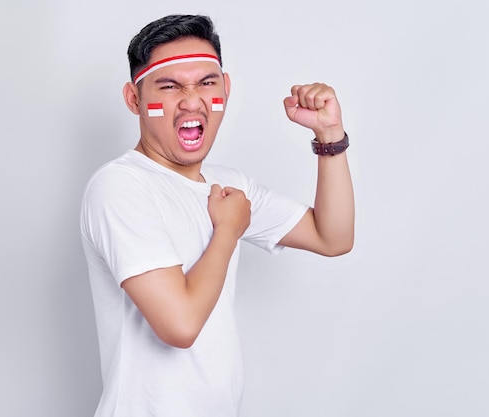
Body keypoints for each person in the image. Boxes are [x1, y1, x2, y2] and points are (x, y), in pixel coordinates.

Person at [80, 14, 354, 417]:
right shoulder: (120, 187)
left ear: (225, 88)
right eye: (169, 86)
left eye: (207, 83)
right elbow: (180, 325)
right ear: (134, 99)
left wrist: (329, 136)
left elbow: (333, 237)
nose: (193, 101)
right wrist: (227, 230)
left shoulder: (227, 186)